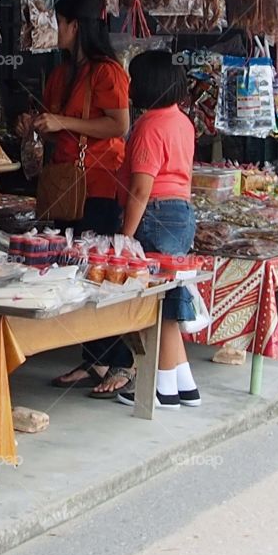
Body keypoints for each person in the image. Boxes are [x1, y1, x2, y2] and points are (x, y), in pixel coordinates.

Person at [16, 0, 132, 395]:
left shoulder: (107, 72)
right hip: (67, 183)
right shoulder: (62, 74)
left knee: (95, 273)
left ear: (76, 26)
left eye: (60, 21)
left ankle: (120, 360)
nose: (56, 29)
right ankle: (95, 357)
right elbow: (57, 126)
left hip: (99, 185)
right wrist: (34, 125)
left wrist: (61, 120)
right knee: (71, 272)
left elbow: (118, 126)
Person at [112, 51, 200, 410]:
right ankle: (181, 382)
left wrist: (125, 236)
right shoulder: (182, 121)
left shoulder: (150, 125)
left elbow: (140, 189)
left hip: (156, 213)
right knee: (171, 295)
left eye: (134, 78)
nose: (131, 86)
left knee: (156, 300)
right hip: (180, 212)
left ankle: (160, 388)